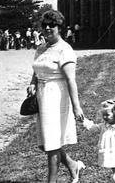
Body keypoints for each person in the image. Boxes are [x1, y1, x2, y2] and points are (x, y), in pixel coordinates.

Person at [26, 10, 85, 183]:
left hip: (57, 97)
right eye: (44, 25)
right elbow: (37, 70)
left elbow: (70, 80)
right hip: (42, 97)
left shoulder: (65, 50)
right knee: (44, 143)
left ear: (60, 27)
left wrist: (77, 106)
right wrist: (32, 83)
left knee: (52, 145)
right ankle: (72, 164)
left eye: (52, 25)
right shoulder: (41, 48)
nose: (48, 28)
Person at [82, 98, 115, 183]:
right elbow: (93, 128)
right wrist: (84, 120)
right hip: (112, 158)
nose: (105, 117)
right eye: (104, 115)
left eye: (107, 114)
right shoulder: (104, 126)